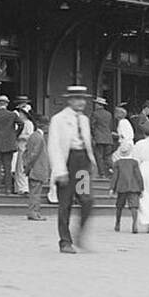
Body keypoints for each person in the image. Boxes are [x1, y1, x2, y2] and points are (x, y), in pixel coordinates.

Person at [47, 84, 97, 254]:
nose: (81, 102)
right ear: (69, 100)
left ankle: (80, 234)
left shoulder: (84, 120)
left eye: (83, 99)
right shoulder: (58, 119)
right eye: (77, 98)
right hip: (67, 162)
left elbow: (87, 144)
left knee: (87, 200)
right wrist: (60, 171)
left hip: (82, 164)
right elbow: (54, 146)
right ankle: (65, 241)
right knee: (65, 204)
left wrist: (91, 163)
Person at [0, 94, 23, 195]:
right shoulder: (12, 115)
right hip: (9, 143)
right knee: (8, 167)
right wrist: (15, 135)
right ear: (7, 104)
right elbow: (21, 124)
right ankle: (8, 189)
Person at [110, 136, 144, 233]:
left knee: (119, 206)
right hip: (134, 187)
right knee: (134, 207)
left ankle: (117, 223)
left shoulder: (117, 163)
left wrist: (112, 188)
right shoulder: (134, 162)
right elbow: (138, 176)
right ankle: (134, 224)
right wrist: (141, 188)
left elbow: (115, 176)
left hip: (121, 187)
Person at [22, 114, 51, 221]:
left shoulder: (34, 136)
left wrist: (27, 166)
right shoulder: (38, 137)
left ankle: (35, 212)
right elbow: (33, 154)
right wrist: (29, 167)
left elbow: (26, 152)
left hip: (34, 169)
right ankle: (33, 212)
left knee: (35, 192)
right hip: (37, 169)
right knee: (35, 193)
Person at [12, 97, 34, 195]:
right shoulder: (23, 123)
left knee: (22, 168)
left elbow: (29, 136)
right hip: (21, 147)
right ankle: (19, 187)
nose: (20, 115)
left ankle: (23, 187)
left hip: (25, 147)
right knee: (19, 167)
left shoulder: (28, 123)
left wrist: (18, 136)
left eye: (21, 113)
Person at [91, 97, 114, 177]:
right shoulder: (109, 114)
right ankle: (114, 170)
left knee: (99, 157)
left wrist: (93, 136)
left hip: (99, 138)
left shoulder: (95, 114)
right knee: (107, 157)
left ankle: (102, 174)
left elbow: (92, 126)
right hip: (108, 138)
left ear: (98, 104)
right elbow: (110, 126)